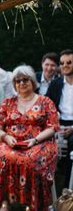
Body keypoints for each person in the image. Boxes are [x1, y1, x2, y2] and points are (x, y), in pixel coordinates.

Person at [0, 65, 59, 211]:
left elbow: (52, 127)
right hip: (10, 142)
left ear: (33, 81)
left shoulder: (45, 101)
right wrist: (6, 137)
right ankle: (5, 204)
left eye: (25, 80)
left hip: (39, 142)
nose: (21, 83)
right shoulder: (8, 102)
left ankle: (30, 207)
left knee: (30, 160)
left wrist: (35, 140)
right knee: (5, 158)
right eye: (17, 80)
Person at [46, 49, 73, 186]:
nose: (65, 65)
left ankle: (66, 189)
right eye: (62, 63)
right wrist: (55, 124)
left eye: (69, 62)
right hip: (58, 122)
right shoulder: (55, 84)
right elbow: (46, 107)